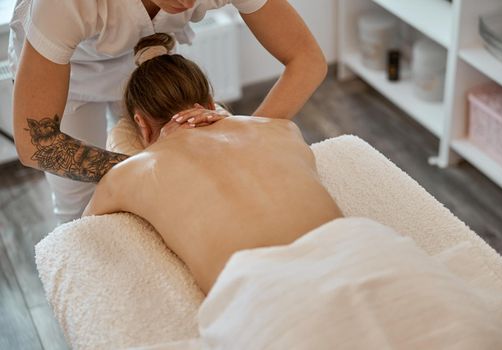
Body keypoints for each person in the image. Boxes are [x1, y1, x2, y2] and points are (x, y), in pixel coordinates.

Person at [10, 0, 327, 223]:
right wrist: (157, 167)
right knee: (77, 205)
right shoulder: (61, 5)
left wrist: (244, 134)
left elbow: (307, 60)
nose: (188, 2)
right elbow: (35, 144)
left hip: (146, 50)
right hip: (70, 72)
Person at [82, 34, 342, 294]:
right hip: (352, 250)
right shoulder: (282, 129)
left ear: (141, 123)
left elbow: (88, 227)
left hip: (260, 290)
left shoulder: (130, 174)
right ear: (209, 103)